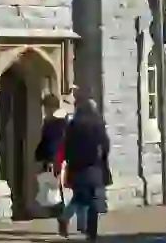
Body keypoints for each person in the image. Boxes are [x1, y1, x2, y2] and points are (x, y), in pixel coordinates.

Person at [55, 97, 109, 241]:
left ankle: (65, 217)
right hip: (93, 167)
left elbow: (66, 146)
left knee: (79, 197)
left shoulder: (73, 125)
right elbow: (105, 145)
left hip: (76, 168)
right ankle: (91, 232)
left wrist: (69, 161)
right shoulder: (97, 124)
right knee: (92, 201)